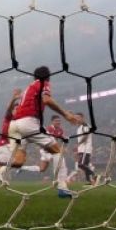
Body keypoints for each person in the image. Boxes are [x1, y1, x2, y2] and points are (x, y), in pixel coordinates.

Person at [7, 66, 80, 198]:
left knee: (18, 161)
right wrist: (65, 114)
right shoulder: (43, 83)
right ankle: (62, 187)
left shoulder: (28, 88)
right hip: (28, 123)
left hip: (17, 124)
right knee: (57, 150)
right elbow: (47, 100)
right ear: (48, 76)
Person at [73, 113, 98, 185]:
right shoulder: (79, 127)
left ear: (82, 118)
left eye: (78, 117)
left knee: (80, 165)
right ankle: (90, 181)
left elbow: (86, 136)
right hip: (82, 149)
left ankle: (93, 174)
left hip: (85, 149)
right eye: (76, 118)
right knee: (85, 165)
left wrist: (78, 144)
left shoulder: (85, 125)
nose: (76, 119)